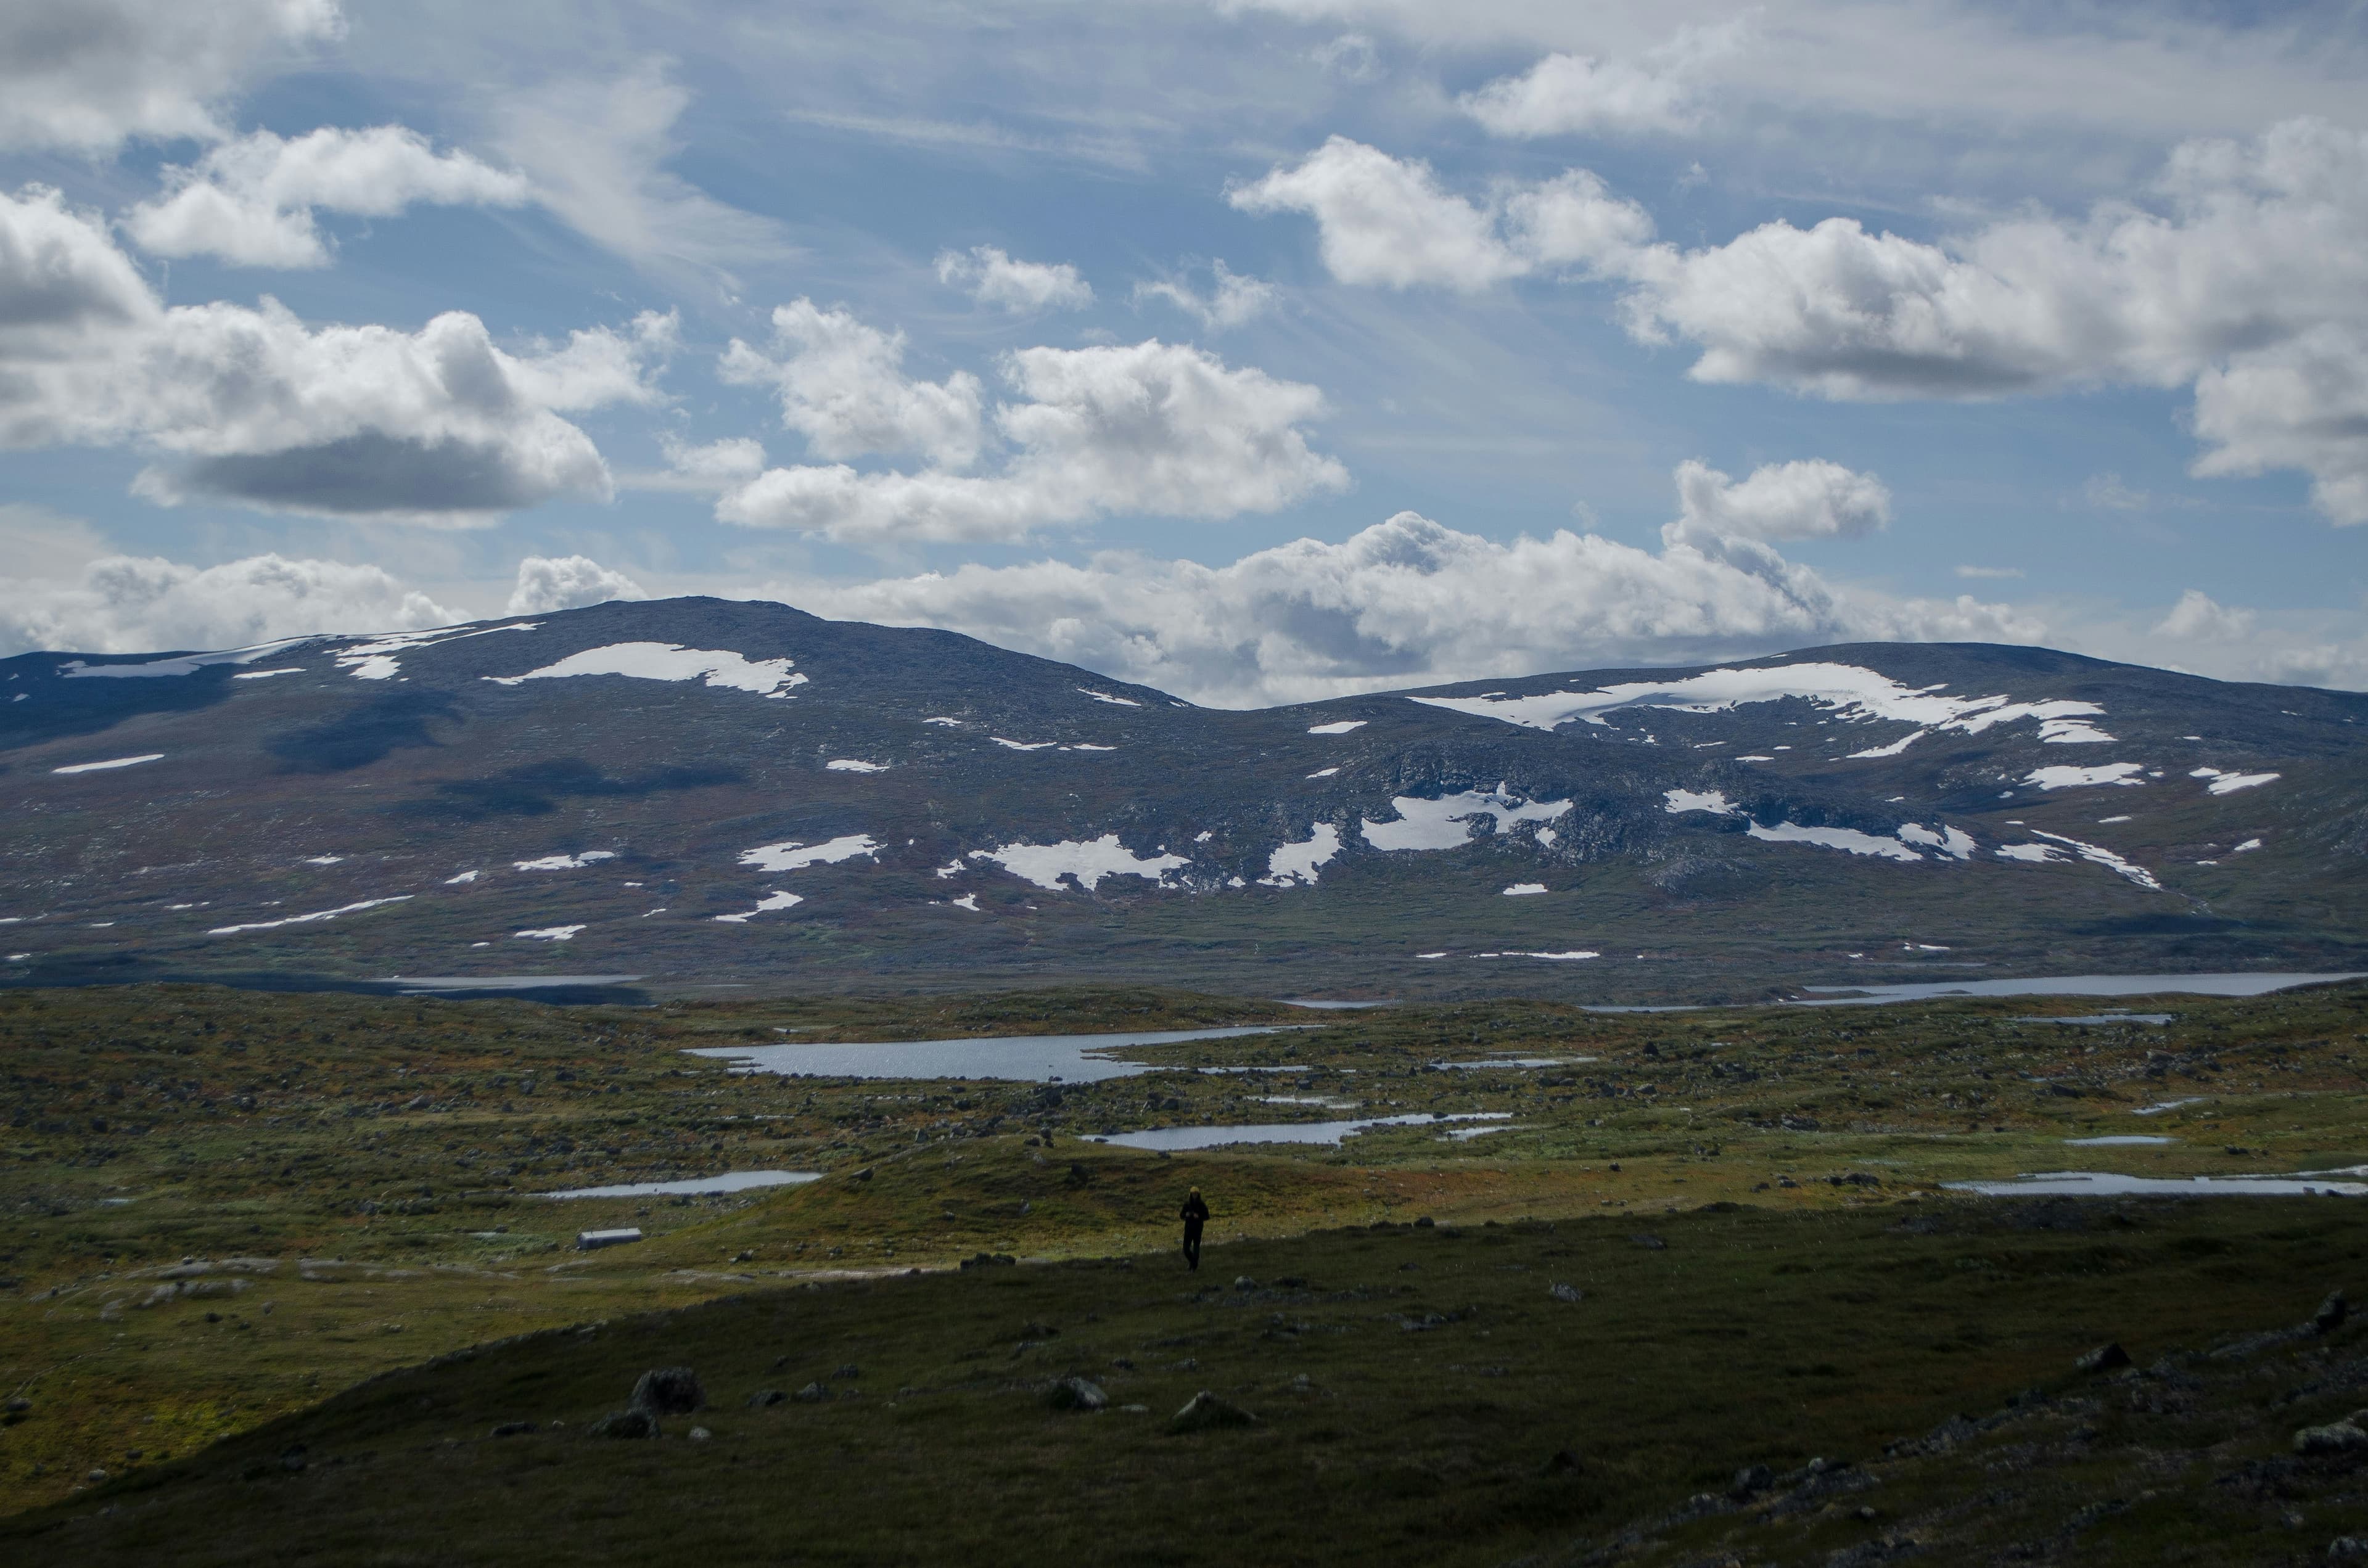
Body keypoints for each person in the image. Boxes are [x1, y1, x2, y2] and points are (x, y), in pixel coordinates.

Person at [1178, 1186, 1209, 1271]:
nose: (1194, 1195)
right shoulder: (1187, 1205)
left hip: (1197, 1230)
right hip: (1188, 1230)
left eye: (1196, 1194)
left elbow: (1207, 1216)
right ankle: (1193, 1262)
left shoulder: (1202, 1205)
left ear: (1198, 1195)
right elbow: (1181, 1215)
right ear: (1191, 1195)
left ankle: (1193, 1268)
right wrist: (1186, 1215)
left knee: (1196, 1250)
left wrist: (1199, 1216)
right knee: (1186, 1249)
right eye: (1193, 1194)